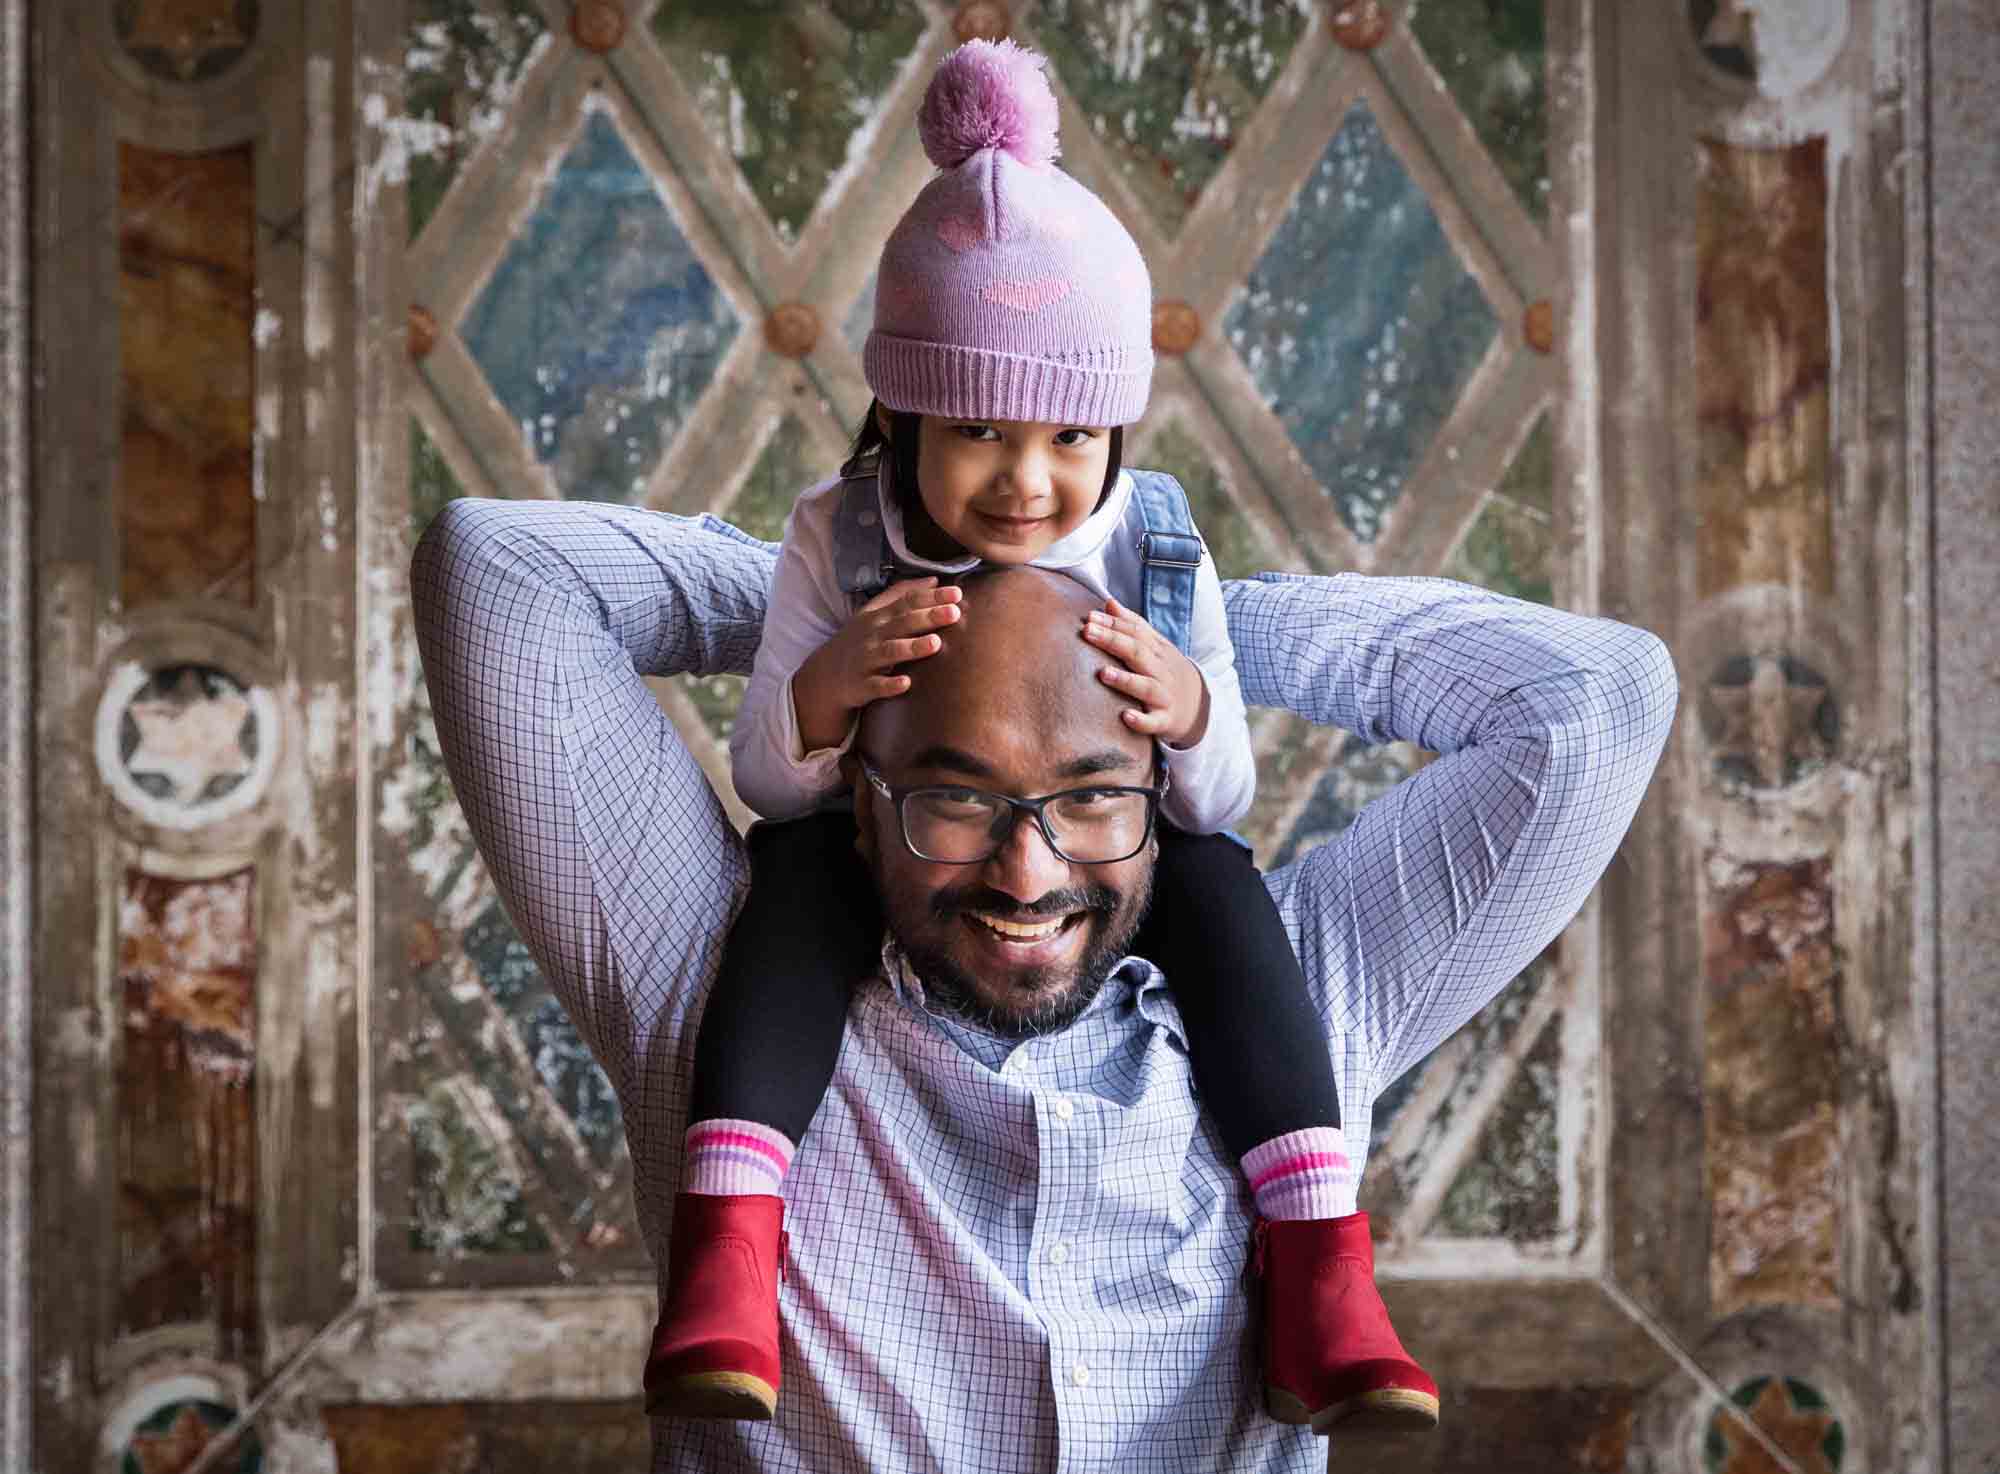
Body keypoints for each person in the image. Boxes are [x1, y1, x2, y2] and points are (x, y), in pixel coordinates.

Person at [410, 518, 1677, 1473]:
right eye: (954, 796)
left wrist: (1164, 618)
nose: (1028, 872)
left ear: (1165, 794)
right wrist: (865, 611)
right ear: (858, 792)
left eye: (1089, 796)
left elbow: (1595, 700)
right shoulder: (703, 972)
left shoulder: (1304, 990)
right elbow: (496, 570)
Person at [652, 37, 1425, 1439]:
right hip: (884, 837)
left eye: (1075, 433)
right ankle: (728, 1244)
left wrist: (1189, 704)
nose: (1030, 479)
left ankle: (1321, 1266)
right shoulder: (842, 531)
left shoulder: (1152, 532)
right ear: (898, 416)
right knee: (793, 882)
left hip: (1132, 853)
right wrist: (827, 684)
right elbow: (771, 775)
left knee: (1227, 892)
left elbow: (1221, 798)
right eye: (980, 433)